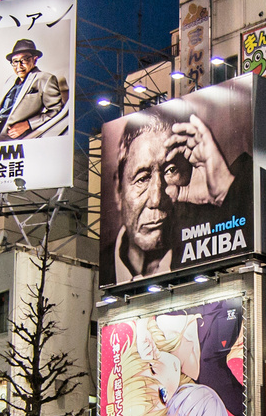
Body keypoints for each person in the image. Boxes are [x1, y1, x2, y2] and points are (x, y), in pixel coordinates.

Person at [105, 107, 251, 284]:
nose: (156, 199)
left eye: (171, 171)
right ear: (118, 188)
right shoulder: (100, 271)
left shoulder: (212, 245)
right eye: (142, 179)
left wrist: (222, 190)